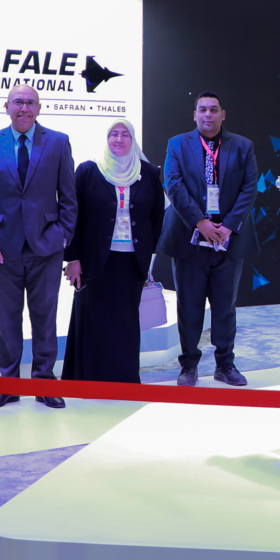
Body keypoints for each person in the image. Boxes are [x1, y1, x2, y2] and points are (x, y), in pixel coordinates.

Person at [0, 84, 78, 408]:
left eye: (30, 103)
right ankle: (8, 385)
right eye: (18, 102)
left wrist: (62, 237)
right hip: (2, 250)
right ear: (6, 107)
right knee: (6, 322)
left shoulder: (58, 142)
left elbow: (69, 197)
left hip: (46, 248)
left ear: (39, 108)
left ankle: (45, 383)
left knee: (45, 319)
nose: (24, 108)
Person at [157, 91, 259, 387]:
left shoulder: (243, 146)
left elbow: (249, 188)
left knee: (225, 307)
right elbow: (173, 185)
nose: (208, 115)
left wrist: (227, 227)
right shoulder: (177, 144)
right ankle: (188, 366)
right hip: (189, 237)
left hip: (228, 240)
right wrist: (201, 223)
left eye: (214, 110)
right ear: (195, 115)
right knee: (189, 307)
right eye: (202, 110)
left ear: (223, 114)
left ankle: (225, 365)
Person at [62, 119, 165, 383]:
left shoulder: (149, 172)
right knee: (93, 320)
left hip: (132, 262)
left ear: (133, 140)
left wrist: (147, 256)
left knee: (125, 322)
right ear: (107, 139)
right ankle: (87, 380)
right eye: (114, 134)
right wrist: (73, 258)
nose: (119, 139)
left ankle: (124, 381)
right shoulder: (88, 170)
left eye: (125, 135)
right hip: (94, 261)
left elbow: (156, 218)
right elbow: (73, 217)